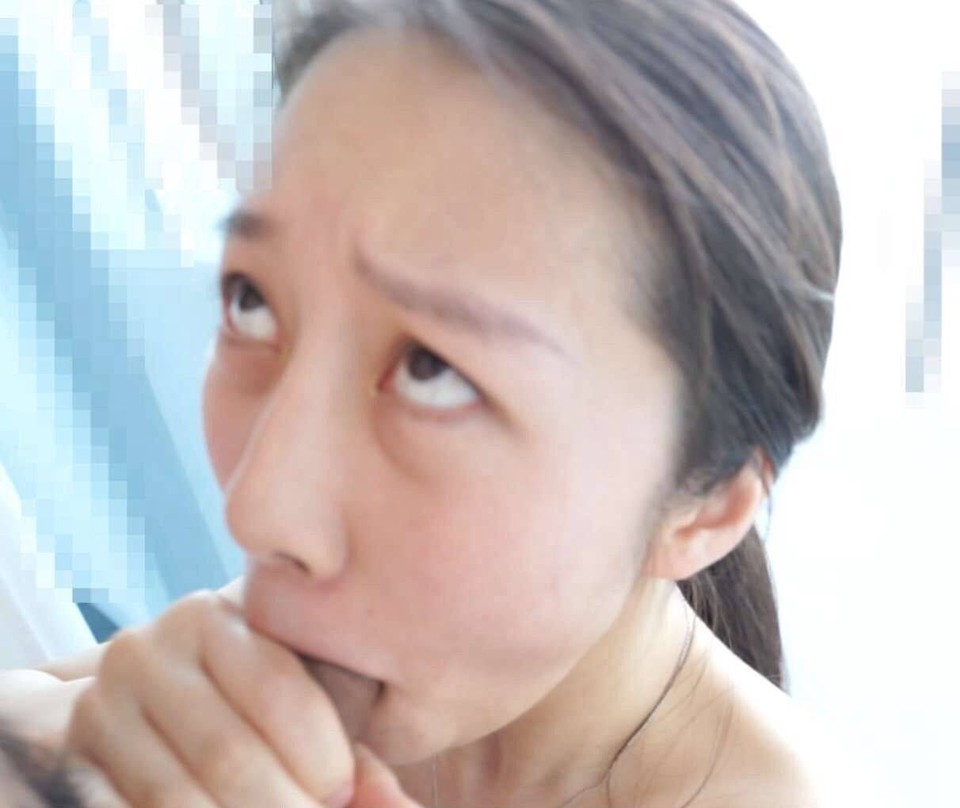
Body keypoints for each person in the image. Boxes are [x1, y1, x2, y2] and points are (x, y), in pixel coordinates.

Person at [0, 0, 874, 805]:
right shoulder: (330, 650)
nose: (258, 507)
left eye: (431, 371)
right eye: (251, 303)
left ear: (706, 504)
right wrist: (52, 758)